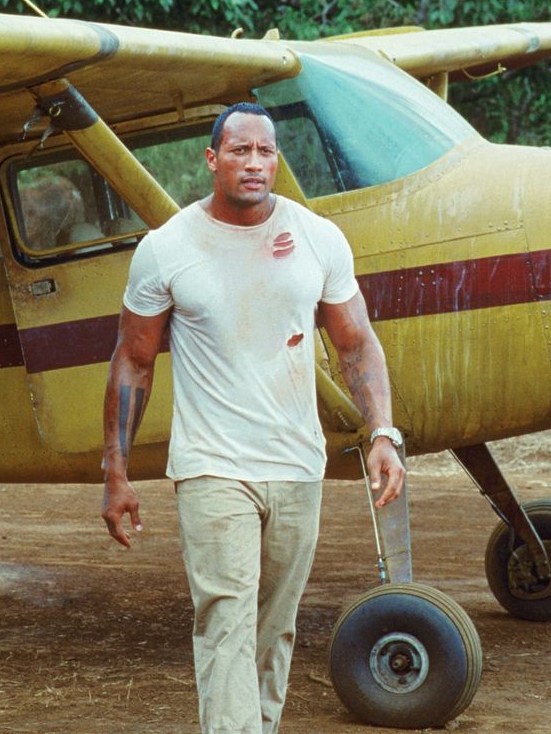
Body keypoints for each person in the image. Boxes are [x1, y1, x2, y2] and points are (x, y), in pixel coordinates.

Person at [100, 102, 406, 733]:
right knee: (225, 616)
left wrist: (382, 432)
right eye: (240, 151)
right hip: (212, 466)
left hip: (297, 462)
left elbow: (356, 344)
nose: (255, 163)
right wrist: (117, 470)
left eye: (266, 151)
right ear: (212, 159)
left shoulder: (318, 238)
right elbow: (133, 361)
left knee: (275, 625)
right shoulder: (167, 249)